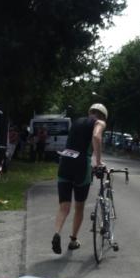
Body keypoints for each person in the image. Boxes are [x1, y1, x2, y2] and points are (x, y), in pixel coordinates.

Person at [52, 104, 107, 254]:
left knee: (64, 207)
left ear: (90, 112)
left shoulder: (77, 121)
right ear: (103, 116)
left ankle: (57, 233)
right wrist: (98, 162)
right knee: (79, 206)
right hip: (81, 165)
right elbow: (96, 136)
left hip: (65, 161)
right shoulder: (99, 122)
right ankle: (73, 240)